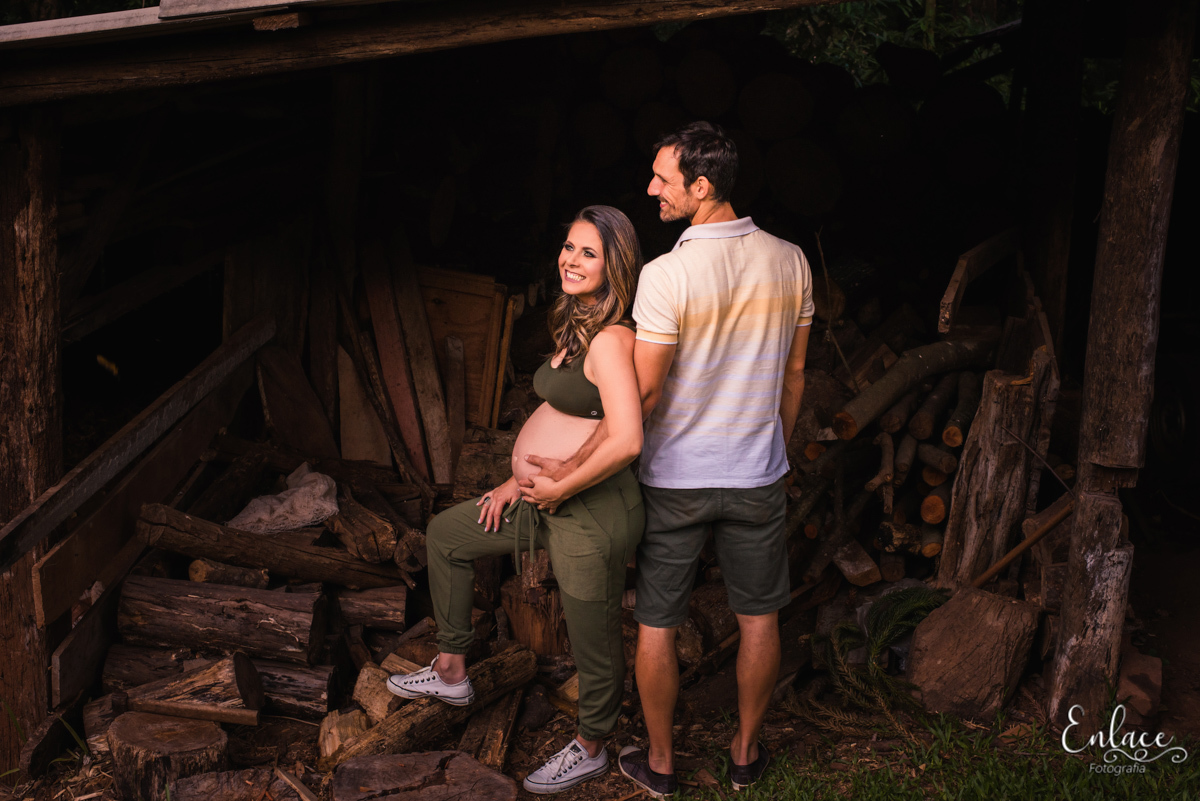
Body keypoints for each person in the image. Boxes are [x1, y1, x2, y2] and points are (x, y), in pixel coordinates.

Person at [521, 122, 814, 796]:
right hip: (756, 475)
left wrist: (577, 463)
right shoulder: (792, 260)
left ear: (702, 187)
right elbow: (795, 378)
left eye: (663, 179)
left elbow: (644, 394)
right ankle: (745, 755)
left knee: (657, 622)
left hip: (676, 478)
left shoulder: (666, 274)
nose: (651, 188)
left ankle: (659, 763)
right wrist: (778, 448)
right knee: (759, 618)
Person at [387, 205, 646, 795]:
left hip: (591, 509)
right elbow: (564, 408)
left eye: (589, 253)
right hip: (547, 498)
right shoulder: (577, 325)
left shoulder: (611, 339)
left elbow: (628, 437)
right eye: (569, 247)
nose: (571, 259)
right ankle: (452, 670)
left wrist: (559, 484)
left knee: (591, 635)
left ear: (616, 265)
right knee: (449, 536)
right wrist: (513, 480)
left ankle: (593, 745)